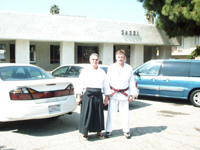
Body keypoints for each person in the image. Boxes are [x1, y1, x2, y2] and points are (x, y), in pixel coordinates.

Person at [104, 49, 139, 139]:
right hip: (113, 93)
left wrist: (131, 94)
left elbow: (131, 81)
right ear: (116, 57)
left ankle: (126, 131)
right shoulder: (111, 67)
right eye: (118, 57)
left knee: (125, 113)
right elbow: (107, 81)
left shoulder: (129, 68)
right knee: (111, 113)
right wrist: (107, 95)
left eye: (122, 57)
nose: (120, 58)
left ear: (124, 58)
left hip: (124, 93)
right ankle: (108, 130)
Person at [76, 53, 108, 140]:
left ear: (98, 61)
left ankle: (99, 132)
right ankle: (85, 133)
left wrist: (106, 97)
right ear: (90, 60)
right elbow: (80, 83)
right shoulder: (85, 70)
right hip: (88, 94)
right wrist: (78, 96)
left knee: (98, 114)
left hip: (98, 94)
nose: (95, 61)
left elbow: (105, 85)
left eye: (96, 59)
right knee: (86, 114)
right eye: (93, 59)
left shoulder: (102, 72)